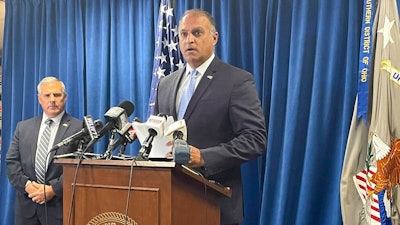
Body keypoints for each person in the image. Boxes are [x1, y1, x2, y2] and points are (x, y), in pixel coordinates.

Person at [154, 9, 267, 225]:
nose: (190, 40)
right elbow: (159, 135)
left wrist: (205, 157)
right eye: (184, 34)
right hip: (169, 204)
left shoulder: (236, 80)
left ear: (214, 38)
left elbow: (255, 139)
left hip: (215, 205)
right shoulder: (165, 84)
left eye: (197, 33)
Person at [6, 76, 82, 225]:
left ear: (65, 98)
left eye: (57, 95)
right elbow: (11, 163)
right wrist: (28, 186)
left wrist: (53, 189)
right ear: (39, 99)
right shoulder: (23, 127)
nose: (52, 100)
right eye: (47, 95)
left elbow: (81, 167)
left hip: (60, 208)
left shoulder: (79, 128)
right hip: (27, 209)